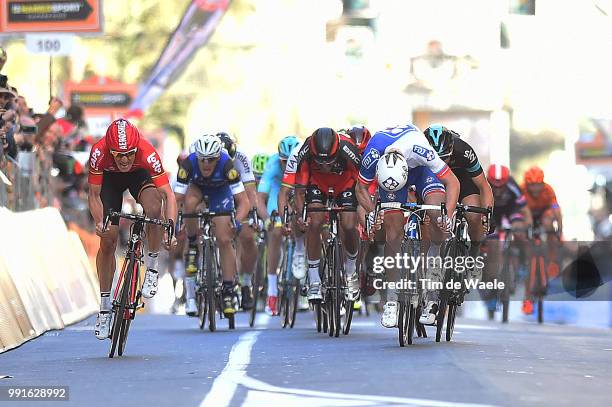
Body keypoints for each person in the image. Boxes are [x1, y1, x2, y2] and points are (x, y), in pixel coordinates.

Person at [356, 123, 460, 328]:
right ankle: (392, 300)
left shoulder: (421, 148)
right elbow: (360, 188)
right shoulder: (372, 154)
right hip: (392, 178)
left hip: (422, 171)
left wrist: (446, 215)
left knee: (435, 213)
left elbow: (453, 182)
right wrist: (372, 212)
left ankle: (433, 282)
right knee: (392, 235)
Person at [88, 119, 177, 340]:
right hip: (109, 182)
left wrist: (171, 228)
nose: (125, 159)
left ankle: (153, 267)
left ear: (137, 147)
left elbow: (169, 195)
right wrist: (100, 221)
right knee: (108, 239)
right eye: (119, 155)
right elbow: (93, 195)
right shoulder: (98, 152)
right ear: (110, 150)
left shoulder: (147, 151)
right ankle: (105, 307)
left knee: (154, 209)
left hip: (140, 177)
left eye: (130, 153)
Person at [175, 134, 250, 317]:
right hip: (197, 188)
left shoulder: (227, 165)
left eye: (211, 160)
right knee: (189, 204)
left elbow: (244, 202)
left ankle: (228, 289)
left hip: (220, 192)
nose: (207, 164)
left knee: (224, 239)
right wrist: (175, 222)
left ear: (218, 158)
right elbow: (176, 199)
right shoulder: (188, 165)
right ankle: (193, 245)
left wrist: (237, 221)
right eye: (203, 160)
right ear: (197, 157)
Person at [294, 128, 362, 302]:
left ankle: (351, 269)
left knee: (348, 224)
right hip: (317, 184)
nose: (325, 166)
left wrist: (362, 209)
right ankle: (315, 279)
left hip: (345, 184)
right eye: (320, 162)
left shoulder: (348, 149)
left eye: (330, 161)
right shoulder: (306, 150)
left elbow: (362, 184)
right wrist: (302, 216)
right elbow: (300, 191)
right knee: (314, 223)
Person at [423, 125, 494, 277]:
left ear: (452, 150)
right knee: (432, 214)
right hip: (434, 180)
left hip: (462, 178)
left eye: (444, 158)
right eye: (436, 159)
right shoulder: (419, 151)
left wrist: (488, 215)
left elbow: (483, 185)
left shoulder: (463, 151)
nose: (441, 163)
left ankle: (474, 253)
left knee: (474, 215)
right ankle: (435, 254)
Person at [256, 135, 301, 315]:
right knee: (275, 232)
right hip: (277, 192)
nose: (287, 165)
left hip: (297, 190)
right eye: (284, 161)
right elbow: (260, 198)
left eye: (291, 161)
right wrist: (267, 219)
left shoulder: (304, 163)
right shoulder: (273, 164)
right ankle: (272, 291)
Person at [217, 132, 258, 310]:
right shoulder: (208, 159)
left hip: (238, 195)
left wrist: (253, 214)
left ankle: (246, 282)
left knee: (248, 237)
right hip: (215, 193)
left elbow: (250, 193)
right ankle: (209, 275)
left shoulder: (241, 158)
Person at [521, 165, 562, 314]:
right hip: (528, 215)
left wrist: (559, 231)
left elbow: (557, 210)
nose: (535, 189)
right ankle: (527, 296)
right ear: (527, 184)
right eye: (532, 185)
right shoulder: (521, 190)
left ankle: (551, 257)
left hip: (543, 215)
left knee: (549, 221)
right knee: (527, 243)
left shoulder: (549, 190)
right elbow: (520, 212)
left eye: (538, 185)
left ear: (543, 183)